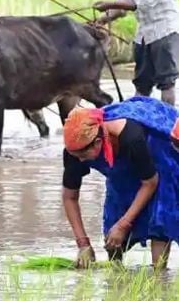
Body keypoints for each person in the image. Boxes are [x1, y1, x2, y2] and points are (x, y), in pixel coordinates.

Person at [62, 97, 179, 270]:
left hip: (157, 149)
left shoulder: (132, 137)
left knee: (160, 210)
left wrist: (124, 224)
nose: (79, 160)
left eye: (83, 156)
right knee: (115, 210)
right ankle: (116, 273)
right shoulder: (74, 152)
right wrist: (83, 244)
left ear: (98, 143)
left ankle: (159, 275)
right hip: (119, 159)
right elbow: (69, 197)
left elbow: (150, 182)